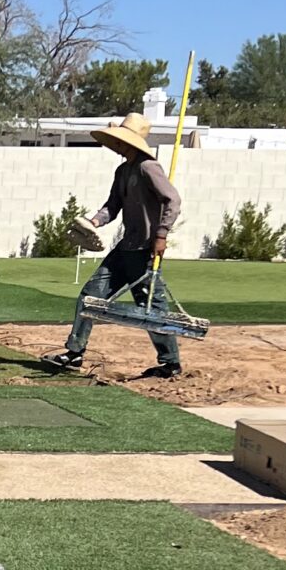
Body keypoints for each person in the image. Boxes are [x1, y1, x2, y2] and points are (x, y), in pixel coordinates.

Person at [43, 110, 185, 379]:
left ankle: (170, 363)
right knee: (89, 297)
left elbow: (173, 200)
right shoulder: (123, 171)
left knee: (153, 309)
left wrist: (161, 234)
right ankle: (74, 353)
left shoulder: (148, 168)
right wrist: (93, 222)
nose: (115, 146)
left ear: (127, 142)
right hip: (123, 249)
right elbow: (112, 206)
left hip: (145, 251)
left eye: (118, 141)